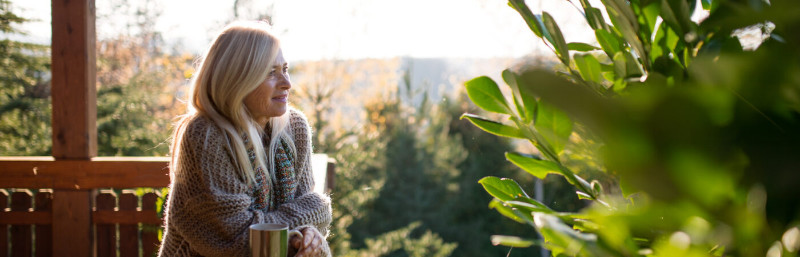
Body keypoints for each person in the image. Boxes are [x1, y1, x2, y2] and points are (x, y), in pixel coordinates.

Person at [157, 21, 332, 257]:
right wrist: (310, 218)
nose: (287, 84)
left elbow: (308, 216)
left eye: (285, 69)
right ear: (237, 79)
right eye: (270, 72)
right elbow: (240, 239)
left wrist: (311, 237)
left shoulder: (294, 128)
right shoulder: (206, 136)